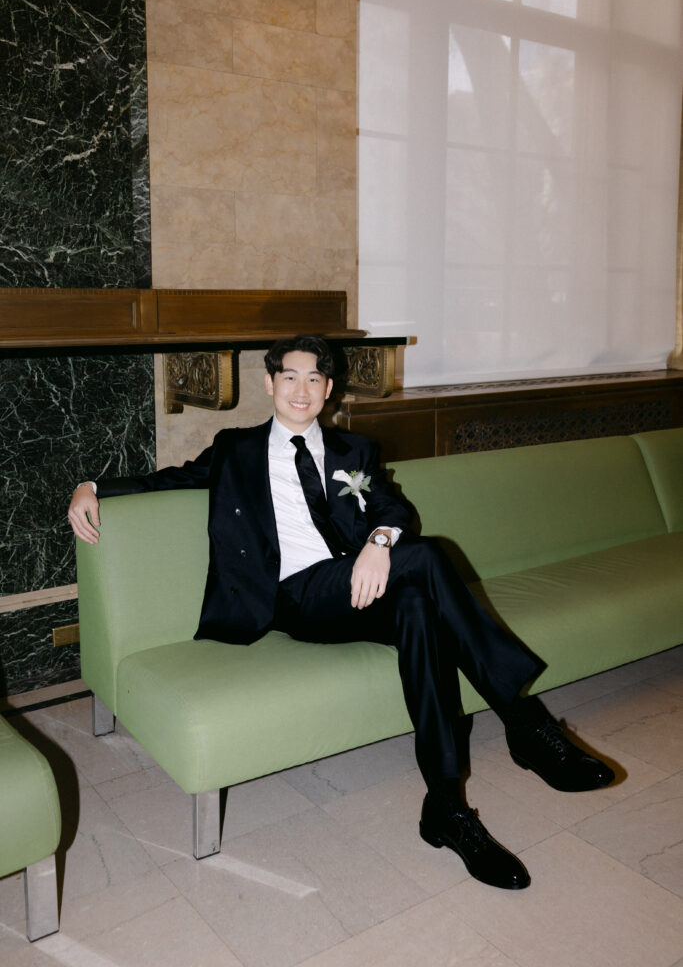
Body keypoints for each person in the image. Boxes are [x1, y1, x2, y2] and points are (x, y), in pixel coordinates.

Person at [68, 334, 616, 889]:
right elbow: (168, 478)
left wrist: (378, 542)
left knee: (419, 610)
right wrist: (90, 485)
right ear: (270, 383)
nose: (301, 391)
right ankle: (524, 723)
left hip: (356, 592)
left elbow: (392, 507)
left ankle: (447, 808)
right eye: (289, 378)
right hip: (294, 599)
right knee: (425, 556)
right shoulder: (235, 449)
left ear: (328, 389)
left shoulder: (356, 452)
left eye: (313, 380)